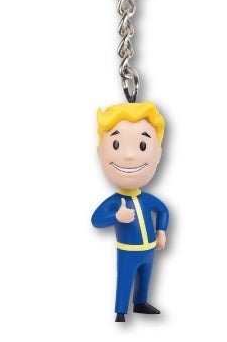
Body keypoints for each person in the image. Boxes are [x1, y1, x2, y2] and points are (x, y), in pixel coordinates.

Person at [91, 101, 169, 322]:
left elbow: (163, 211)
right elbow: (96, 219)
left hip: (149, 250)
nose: (129, 156)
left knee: (145, 277)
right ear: (100, 153)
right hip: (127, 251)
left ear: (158, 154)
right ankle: (120, 311)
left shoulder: (148, 200)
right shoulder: (116, 202)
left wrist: (161, 231)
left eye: (142, 146)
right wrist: (116, 216)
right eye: (116, 144)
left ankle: (141, 302)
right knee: (125, 278)